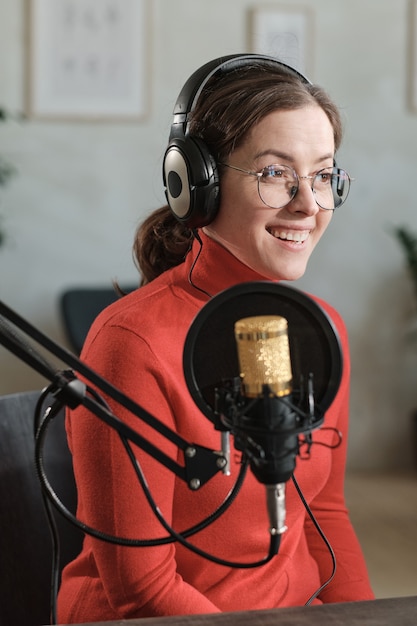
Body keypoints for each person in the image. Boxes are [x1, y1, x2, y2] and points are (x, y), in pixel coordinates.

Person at [57, 54, 375, 622]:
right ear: (196, 185)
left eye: (323, 175)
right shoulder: (130, 341)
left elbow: (324, 512)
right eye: (276, 173)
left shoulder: (321, 330)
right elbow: (142, 588)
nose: (308, 204)